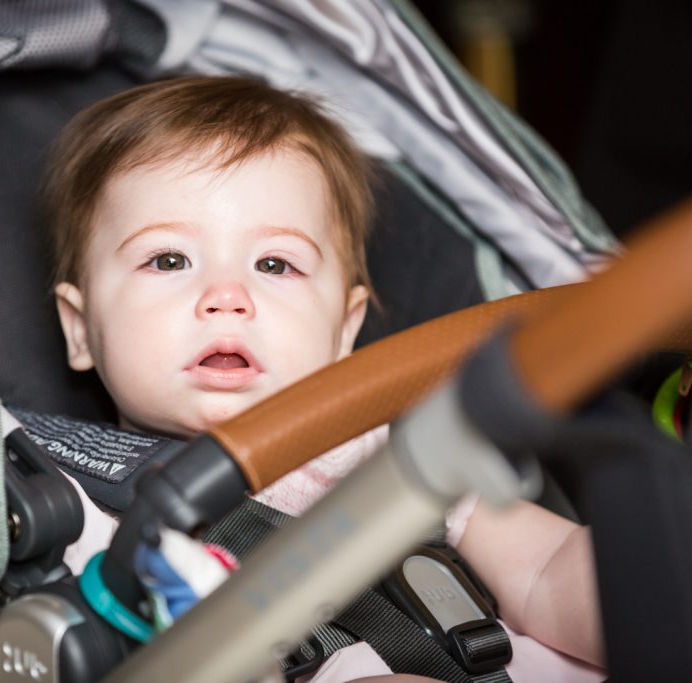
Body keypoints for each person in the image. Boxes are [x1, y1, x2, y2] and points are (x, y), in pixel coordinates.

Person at [42, 75, 605, 682]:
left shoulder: (397, 450)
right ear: (80, 329)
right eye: (169, 260)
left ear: (344, 329)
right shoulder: (90, 507)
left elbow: (546, 569)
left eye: (274, 264)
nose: (227, 297)